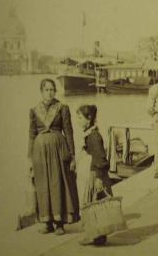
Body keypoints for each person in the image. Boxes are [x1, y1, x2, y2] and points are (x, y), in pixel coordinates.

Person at [28, 79, 79, 235]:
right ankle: (47, 222)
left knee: (58, 184)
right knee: (43, 186)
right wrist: (30, 158)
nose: (50, 93)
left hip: (58, 152)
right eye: (47, 90)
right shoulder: (34, 110)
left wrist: (72, 155)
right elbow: (31, 134)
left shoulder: (62, 108)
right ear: (41, 91)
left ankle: (59, 224)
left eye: (52, 90)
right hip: (40, 155)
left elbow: (68, 132)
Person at [76, 105, 112, 246]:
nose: (78, 121)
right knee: (96, 204)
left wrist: (98, 178)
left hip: (95, 173)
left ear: (89, 118)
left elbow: (100, 158)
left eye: (80, 118)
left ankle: (93, 235)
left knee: (91, 204)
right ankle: (99, 236)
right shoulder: (90, 134)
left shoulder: (93, 136)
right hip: (93, 171)